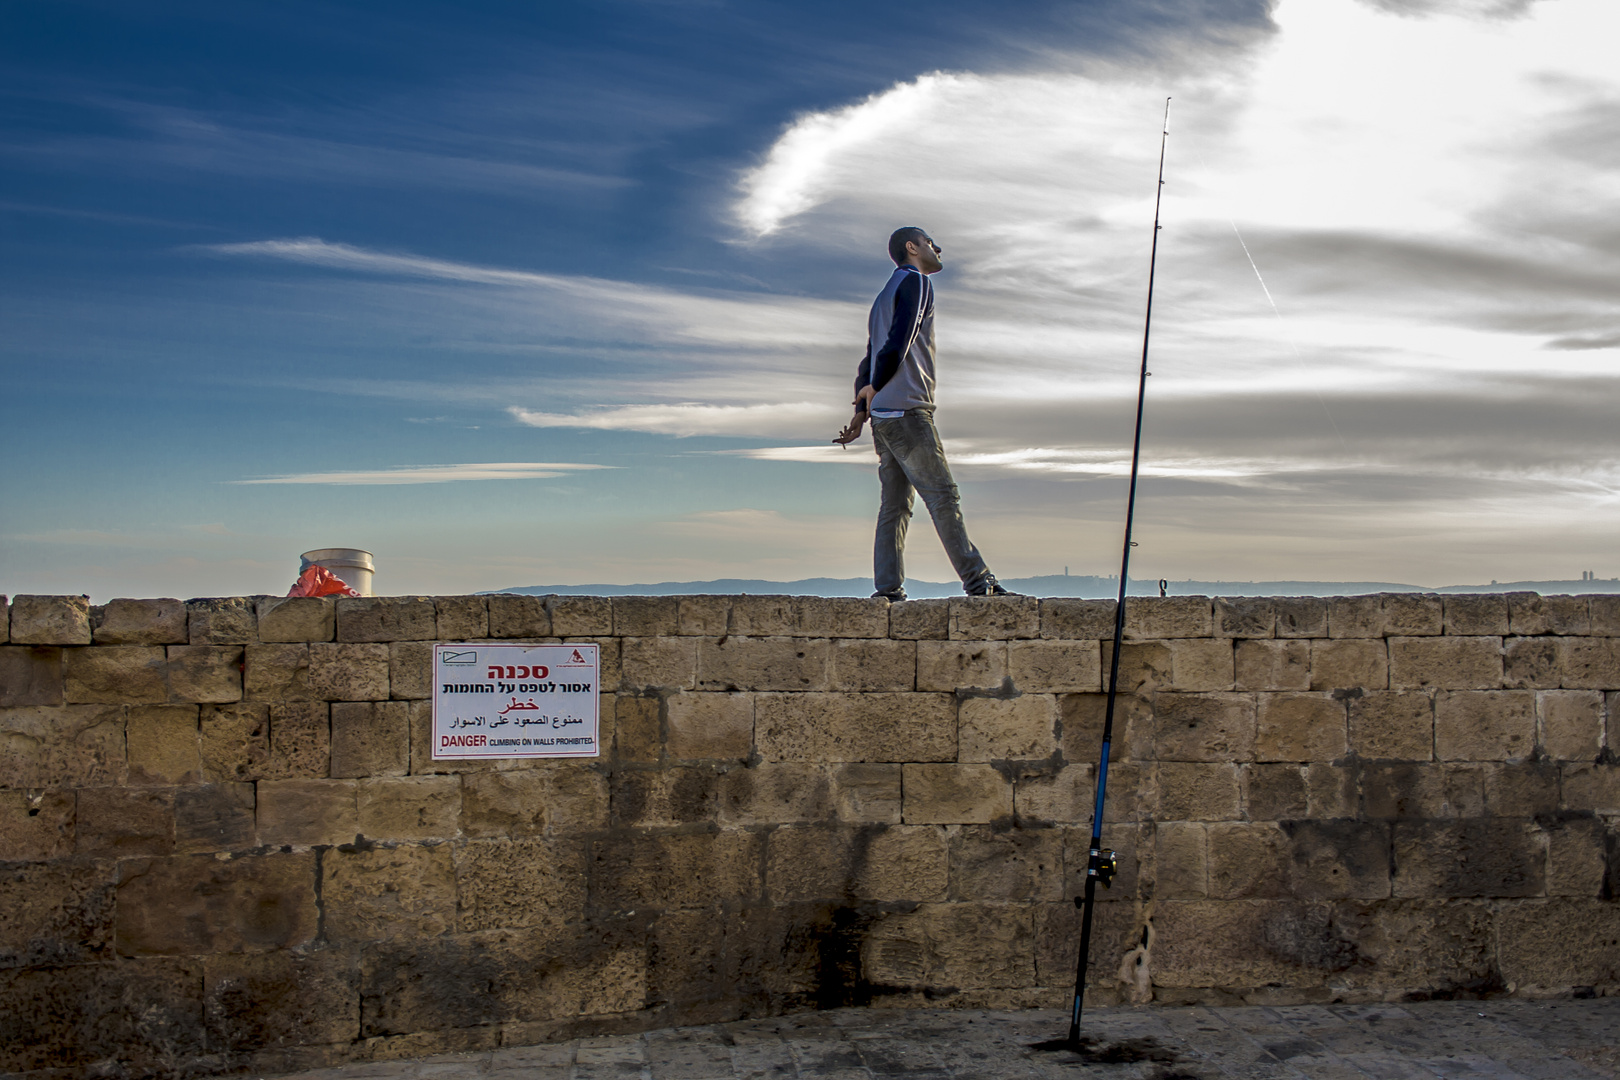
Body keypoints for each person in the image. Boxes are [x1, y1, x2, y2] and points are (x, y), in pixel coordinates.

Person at [834, 227, 1011, 601]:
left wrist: (863, 407)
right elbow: (901, 338)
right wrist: (877, 385)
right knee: (943, 497)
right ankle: (980, 584)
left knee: (894, 507)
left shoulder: (882, 296)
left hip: (884, 417)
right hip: (909, 411)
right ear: (912, 248)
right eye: (931, 242)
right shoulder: (916, 283)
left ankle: (887, 591)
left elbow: (869, 354)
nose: (938, 248)